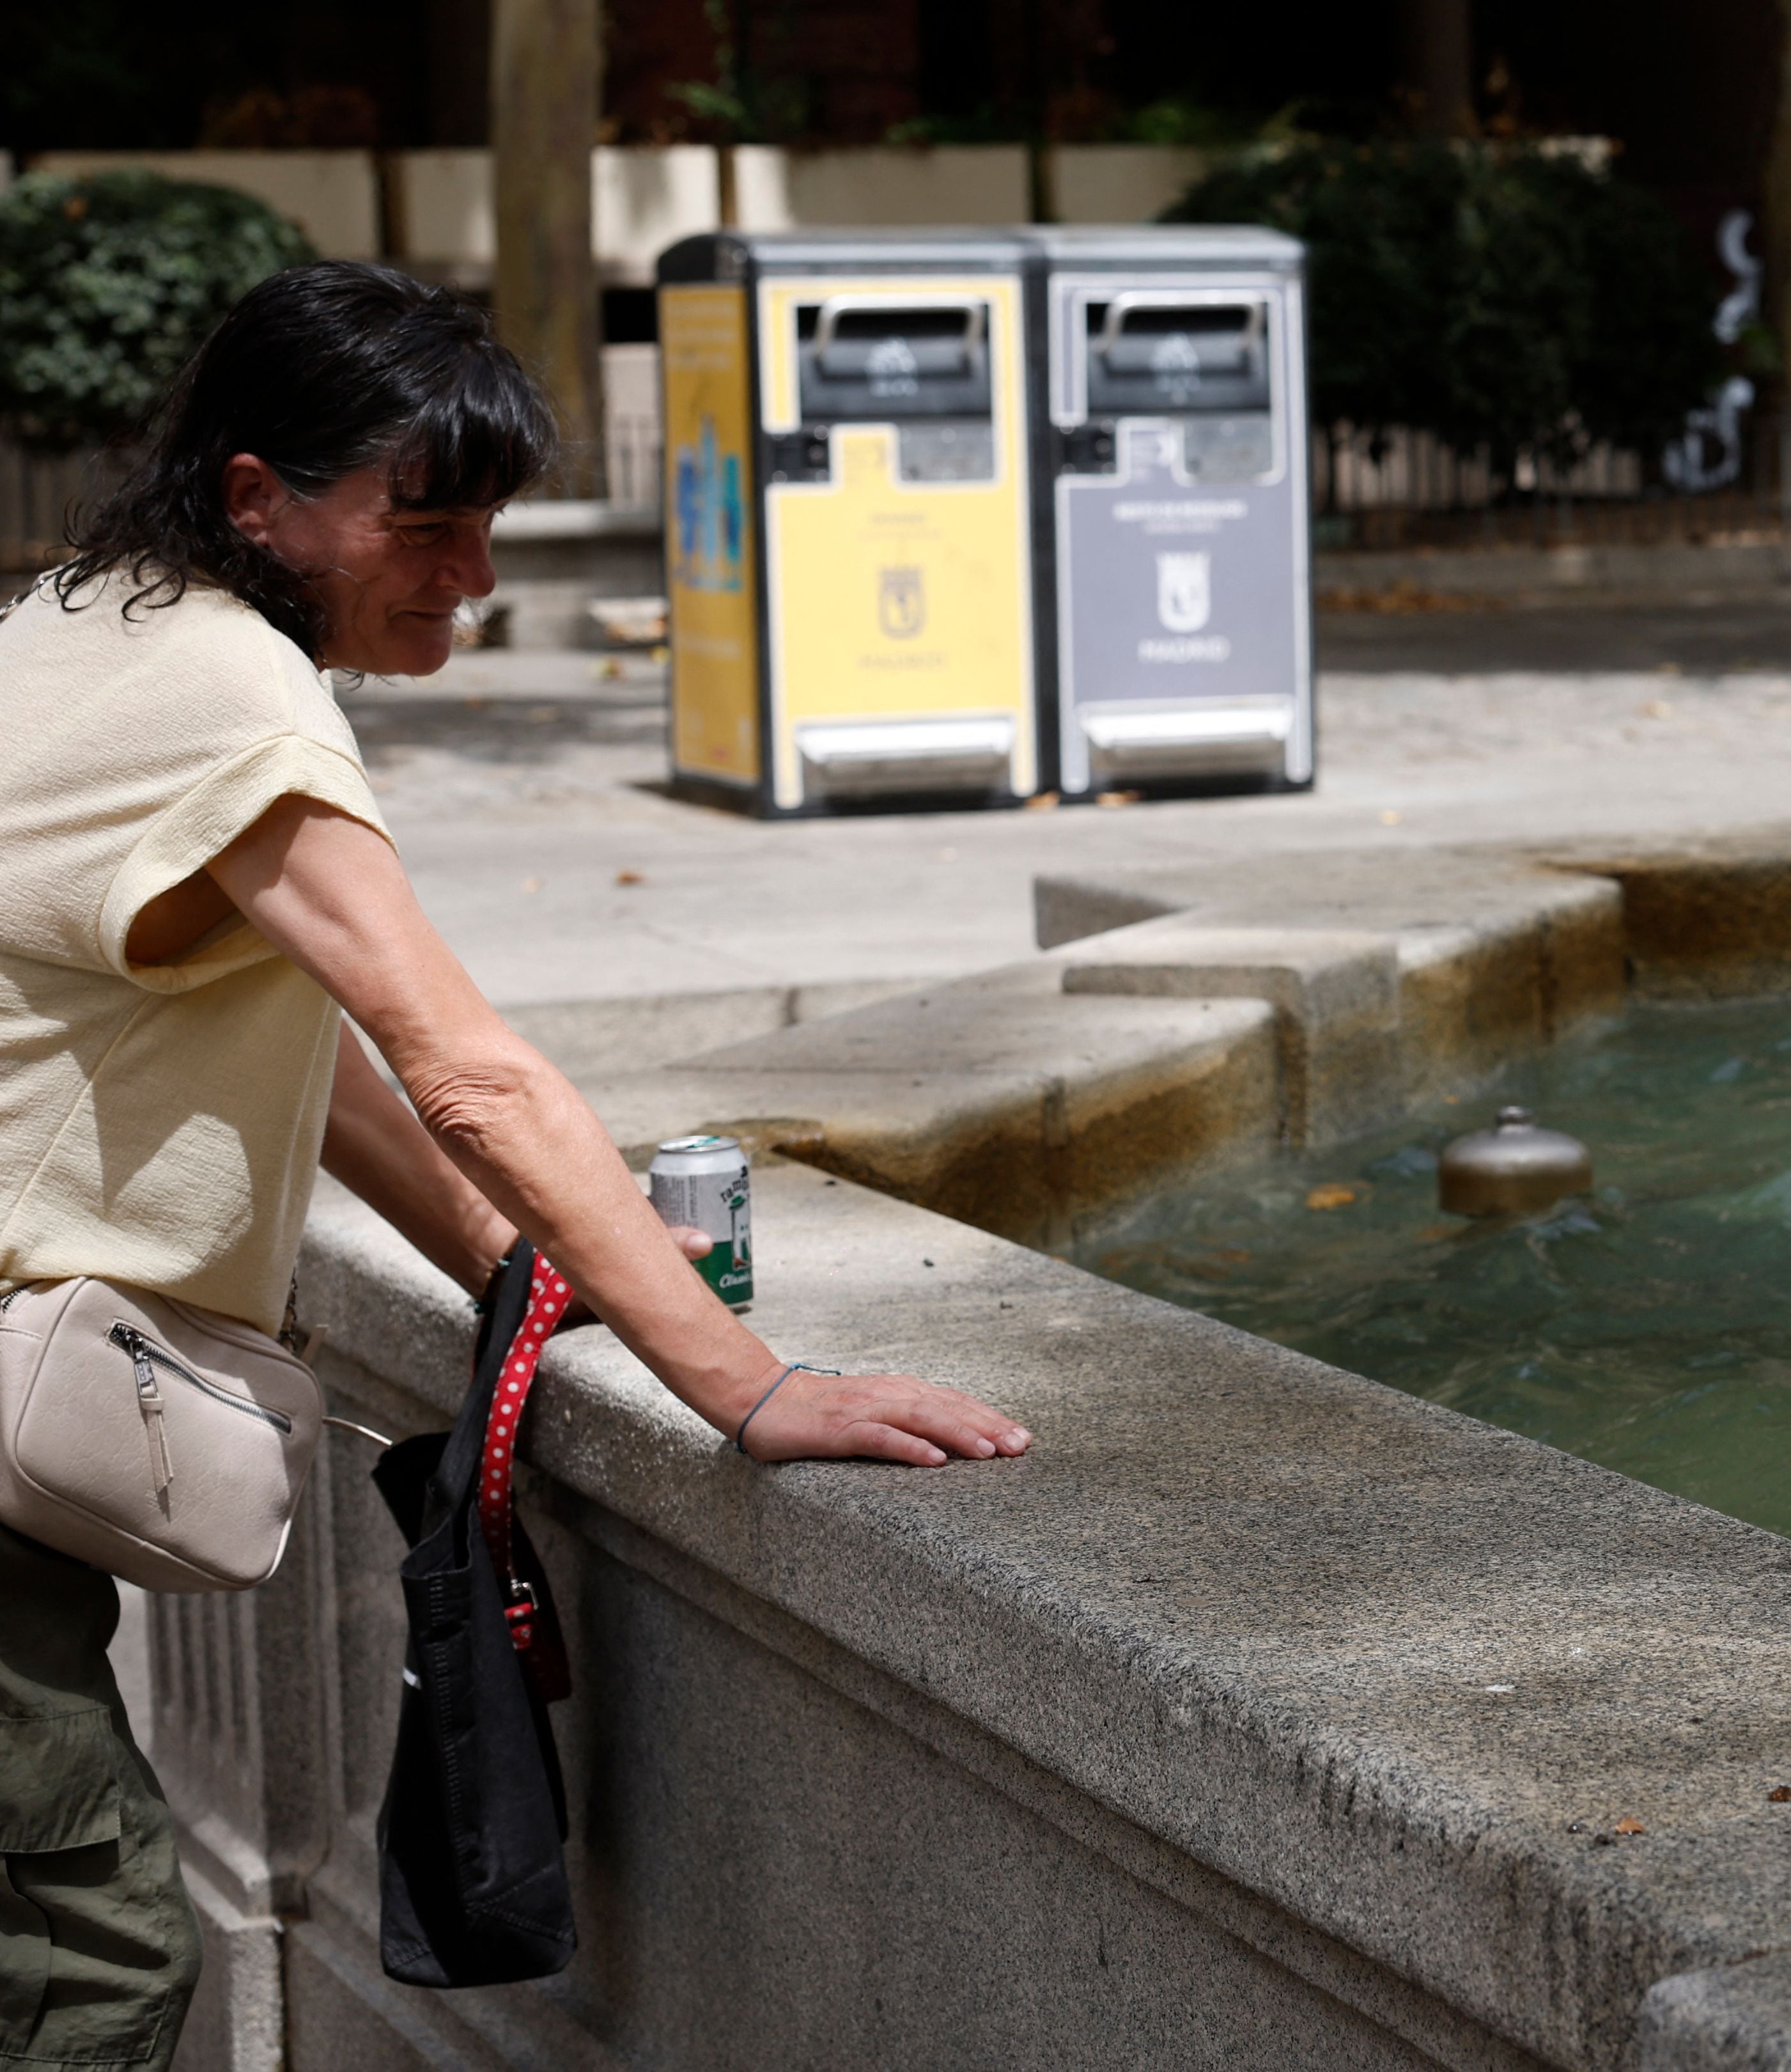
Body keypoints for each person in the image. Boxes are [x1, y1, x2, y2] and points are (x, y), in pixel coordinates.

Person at [0, 261, 1028, 2068]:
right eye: (425, 520)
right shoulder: (234, 696)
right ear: (260, 499)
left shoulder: (86, 624)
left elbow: (265, 1029)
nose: (474, 575)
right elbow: (465, 1063)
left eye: (487, 523)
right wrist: (750, 1384)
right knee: (96, 1968)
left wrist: (501, 1249)